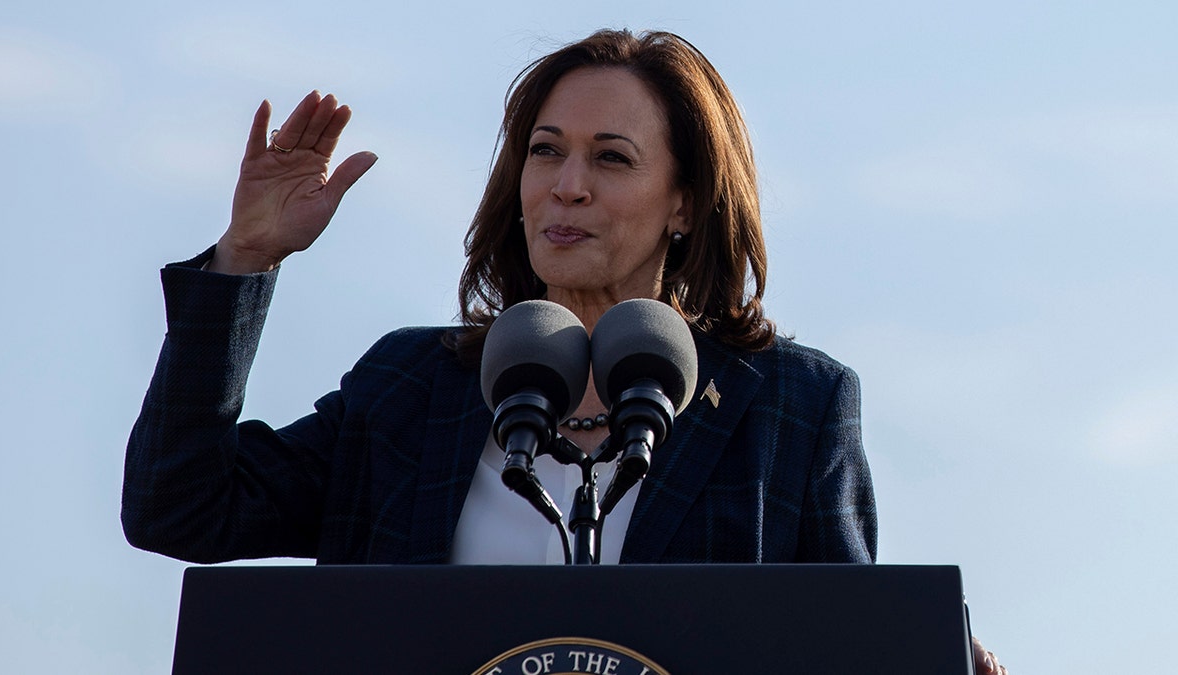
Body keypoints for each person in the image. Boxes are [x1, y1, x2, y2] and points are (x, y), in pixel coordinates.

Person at [121, 29, 1004, 673]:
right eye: (545, 151)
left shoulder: (794, 409)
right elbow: (180, 505)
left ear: (686, 202)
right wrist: (245, 259)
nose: (566, 184)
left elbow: (850, 649)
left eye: (611, 158)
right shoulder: (410, 389)